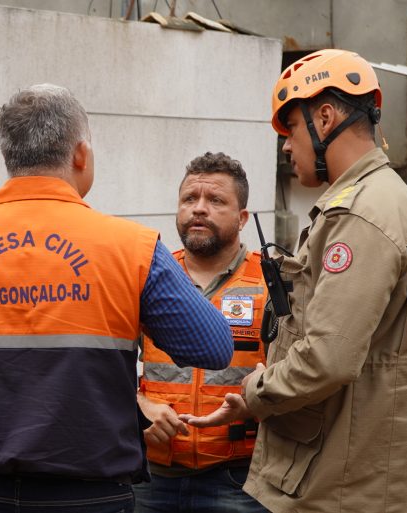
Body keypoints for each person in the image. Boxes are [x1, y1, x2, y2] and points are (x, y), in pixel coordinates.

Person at [0, 84, 235, 513]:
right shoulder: (132, 248)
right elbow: (213, 346)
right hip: (93, 496)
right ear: (81, 154)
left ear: (9, 157)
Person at [181, 49, 407, 512]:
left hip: (343, 487)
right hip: (352, 476)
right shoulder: (381, 201)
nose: (285, 146)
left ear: (325, 118)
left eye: (292, 129)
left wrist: (254, 393)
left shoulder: (362, 215)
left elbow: (328, 357)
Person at [133, 152, 268, 513]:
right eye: (190, 199)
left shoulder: (272, 284)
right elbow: (103, 364)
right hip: (151, 476)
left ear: (242, 219)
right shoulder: (150, 278)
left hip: (241, 480)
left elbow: (299, 374)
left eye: (215, 200)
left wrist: (259, 398)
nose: (199, 209)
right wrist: (139, 405)